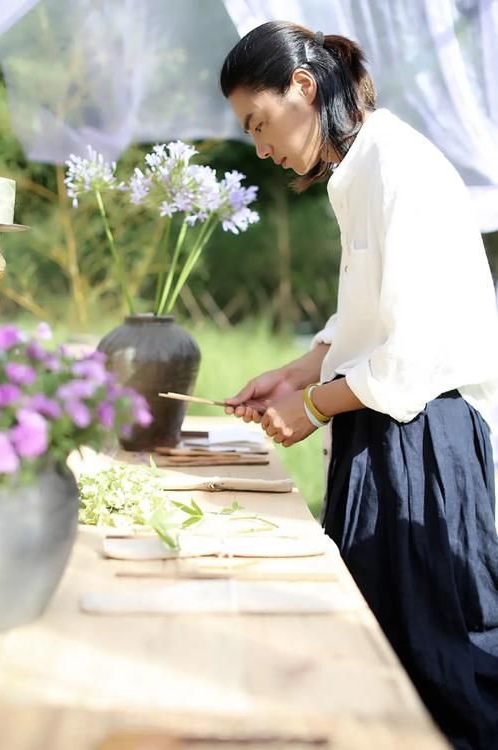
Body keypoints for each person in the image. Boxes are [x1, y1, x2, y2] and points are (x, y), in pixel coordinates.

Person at [219, 21, 498, 750]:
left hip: (427, 443)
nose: (260, 147)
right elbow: (367, 315)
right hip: (383, 432)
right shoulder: (359, 168)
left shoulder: (396, 164)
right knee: (374, 662)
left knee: (443, 669)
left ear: (303, 89)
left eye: (259, 122)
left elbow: (409, 355)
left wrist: (308, 406)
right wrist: (295, 371)